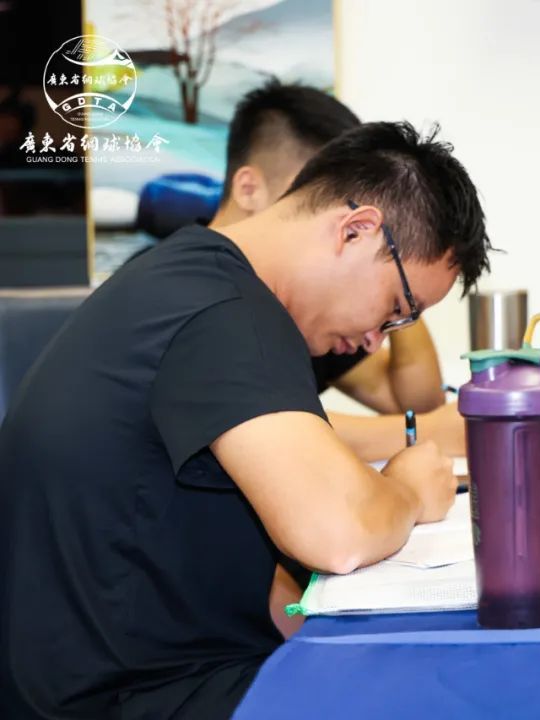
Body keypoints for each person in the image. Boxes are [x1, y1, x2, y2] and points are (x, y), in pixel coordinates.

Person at [0, 121, 491, 719]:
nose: (376, 338)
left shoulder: (190, 277)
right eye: (395, 309)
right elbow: (337, 535)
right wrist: (409, 490)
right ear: (356, 231)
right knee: (459, 691)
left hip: (117, 668)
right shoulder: (226, 312)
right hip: (127, 696)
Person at [207, 80, 462, 462]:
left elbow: (413, 400)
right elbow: (269, 431)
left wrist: (397, 276)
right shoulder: (199, 293)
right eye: (308, 193)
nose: (326, 214)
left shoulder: (306, 309)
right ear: (248, 189)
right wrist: (422, 433)